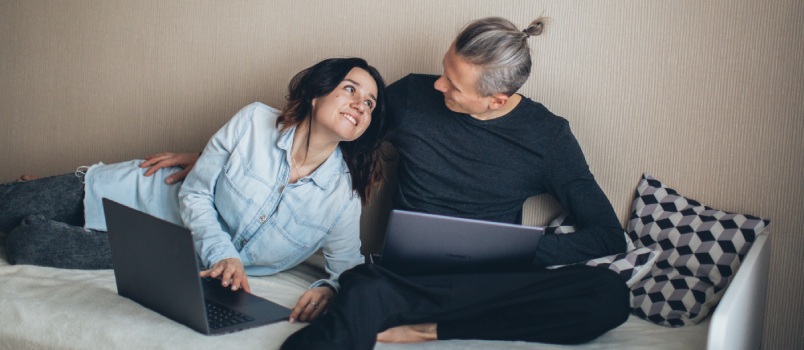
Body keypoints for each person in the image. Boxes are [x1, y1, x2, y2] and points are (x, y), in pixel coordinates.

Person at [130, 17, 630, 349]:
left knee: (609, 295)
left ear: (497, 100)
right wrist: (218, 155)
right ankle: (408, 318)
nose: (438, 86)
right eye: (443, 70)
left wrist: (518, 251)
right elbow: (334, 133)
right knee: (358, 291)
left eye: (454, 86)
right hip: (405, 276)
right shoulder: (412, 98)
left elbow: (606, 234)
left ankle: (433, 330)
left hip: (493, 282)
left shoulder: (548, 137)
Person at [0, 57, 391, 323]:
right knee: (8, 203)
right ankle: (41, 194)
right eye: (350, 89)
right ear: (317, 92)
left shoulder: (342, 197)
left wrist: (330, 288)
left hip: (163, 252)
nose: (361, 105)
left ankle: (33, 216)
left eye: (370, 103)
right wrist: (226, 255)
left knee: (27, 245)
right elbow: (196, 193)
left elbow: (348, 269)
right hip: (143, 194)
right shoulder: (254, 122)